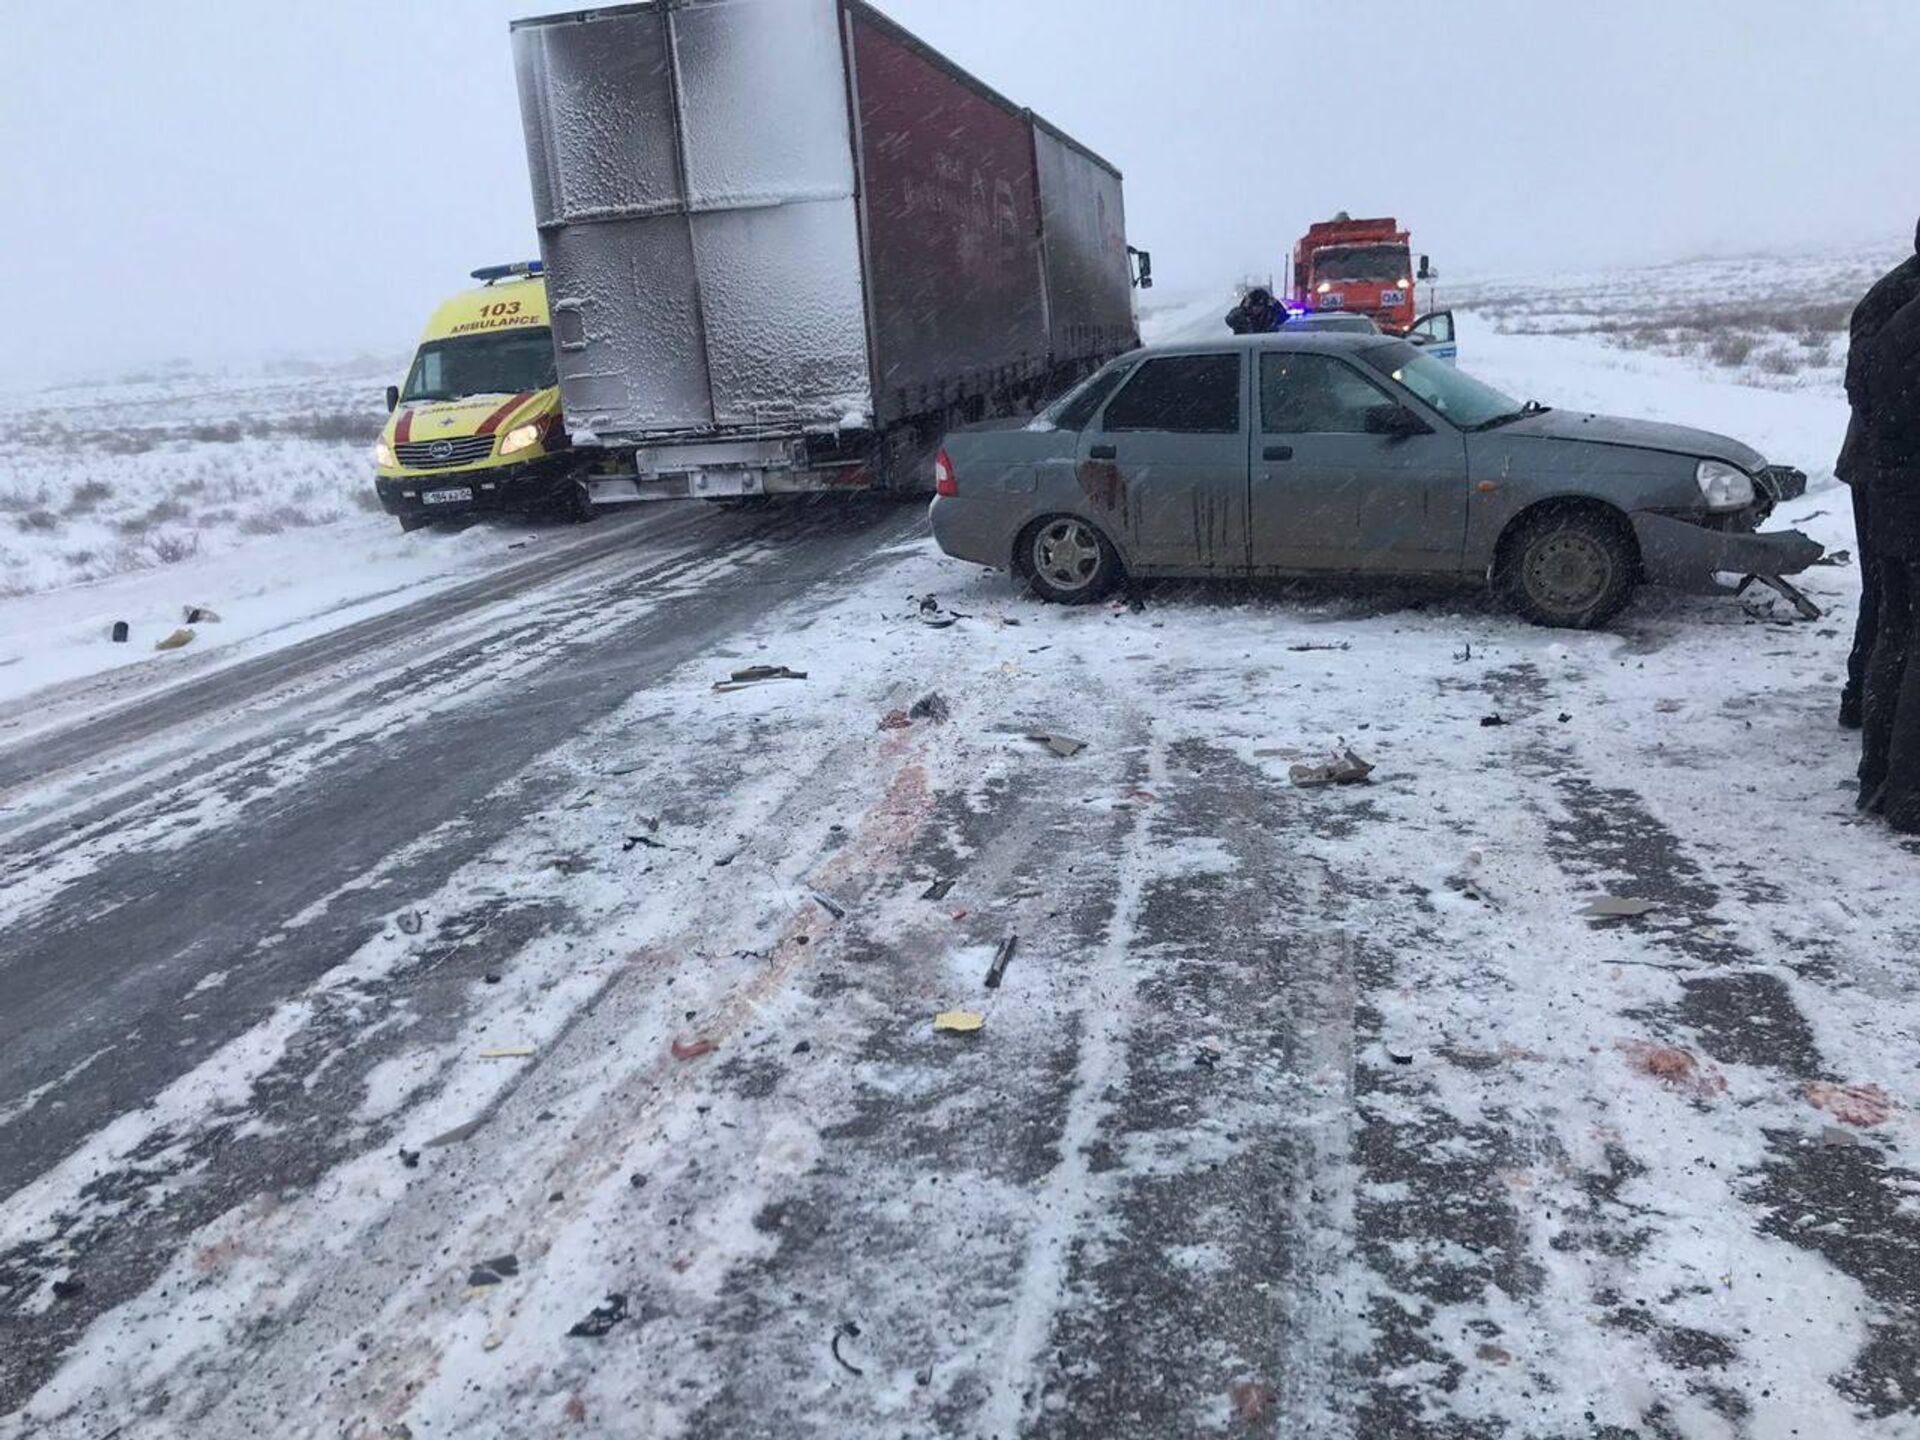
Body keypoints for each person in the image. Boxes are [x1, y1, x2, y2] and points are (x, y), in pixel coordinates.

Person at [1836, 222, 1920, 727]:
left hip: (1891, 464)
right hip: (1883, 470)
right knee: (1888, 597)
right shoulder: (1895, 295)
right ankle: (1865, 704)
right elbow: (1865, 386)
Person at [1859, 274, 1920, 831]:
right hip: (1910, 500)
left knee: (1894, 634)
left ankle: (1877, 776)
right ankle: (1908, 797)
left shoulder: (1900, 321)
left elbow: (1871, 401)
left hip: (1893, 502)